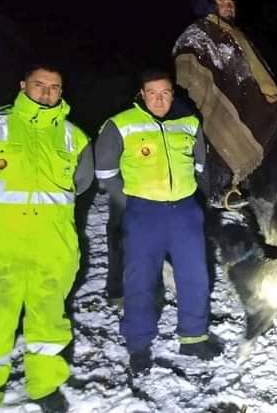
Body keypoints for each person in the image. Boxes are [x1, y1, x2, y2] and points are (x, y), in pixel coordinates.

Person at [0, 64, 93, 413]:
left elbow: (81, 184)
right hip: (0, 246)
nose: (46, 93)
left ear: (62, 91)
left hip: (54, 246)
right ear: (23, 85)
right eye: (39, 85)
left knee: (49, 321)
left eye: (54, 87)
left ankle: (44, 385)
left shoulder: (76, 137)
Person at [94, 70, 222, 375]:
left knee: (195, 276)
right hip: (143, 213)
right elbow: (106, 172)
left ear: (172, 93)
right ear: (141, 93)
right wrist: (132, 202)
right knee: (140, 280)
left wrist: (196, 199)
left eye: (165, 92)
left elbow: (201, 165)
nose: (159, 99)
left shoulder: (189, 123)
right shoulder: (120, 124)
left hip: (185, 212)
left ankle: (193, 336)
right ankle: (138, 344)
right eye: (152, 93)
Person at [172, 0, 277, 197]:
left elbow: (254, 65)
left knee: (272, 125)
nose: (229, 5)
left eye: (232, 1)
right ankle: (221, 189)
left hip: (249, 94)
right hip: (219, 96)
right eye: (223, 1)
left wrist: (265, 88)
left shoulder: (236, 32)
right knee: (225, 132)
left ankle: (251, 183)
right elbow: (186, 60)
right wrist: (204, 88)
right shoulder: (199, 30)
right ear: (211, 5)